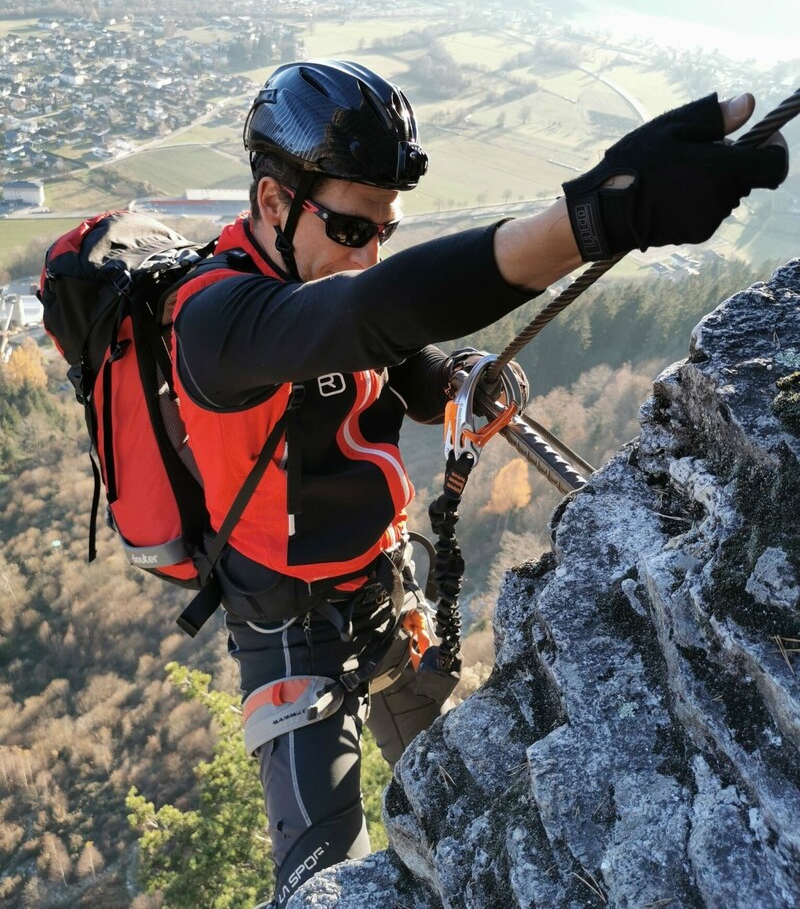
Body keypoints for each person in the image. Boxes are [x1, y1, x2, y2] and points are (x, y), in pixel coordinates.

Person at [169, 59, 787, 907]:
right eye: (353, 230)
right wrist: (592, 218)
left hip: (384, 594)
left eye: (384, 229)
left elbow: (384, 355)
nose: (371, 252)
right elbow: (361, 316)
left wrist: (450, 377)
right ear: (273, 203)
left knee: (459, 807)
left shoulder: (313, 272)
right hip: (290, 631)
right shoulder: (214, 321)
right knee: (323, 887)